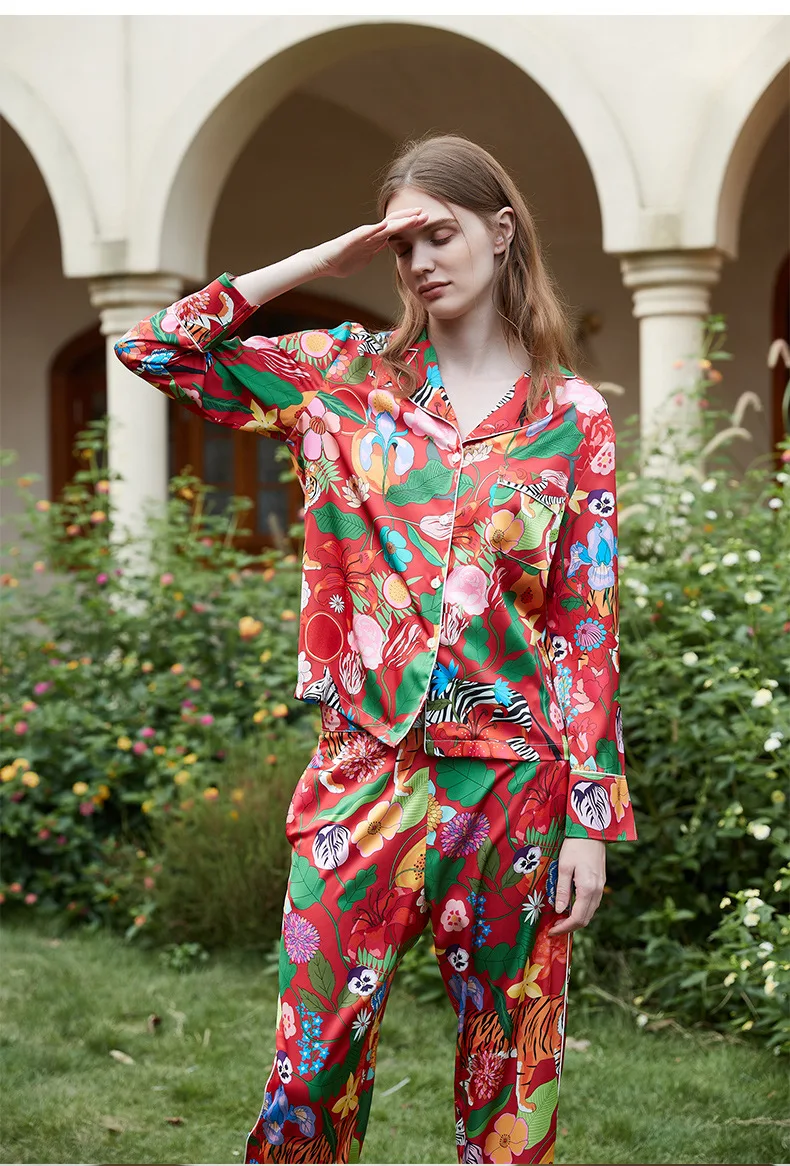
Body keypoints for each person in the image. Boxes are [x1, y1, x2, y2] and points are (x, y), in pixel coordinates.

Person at [115, 132, 638, 1165]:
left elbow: (586, 625)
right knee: (308, 1068)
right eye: (402, 246)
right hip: (362, 769)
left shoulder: (572, 419)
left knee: (508, 1075)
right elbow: (158, 347)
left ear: (502, 231)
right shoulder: (344, 380)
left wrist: (591, 818)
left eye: (440, 234)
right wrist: (325, 258)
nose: (421, 261)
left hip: (513, 783)